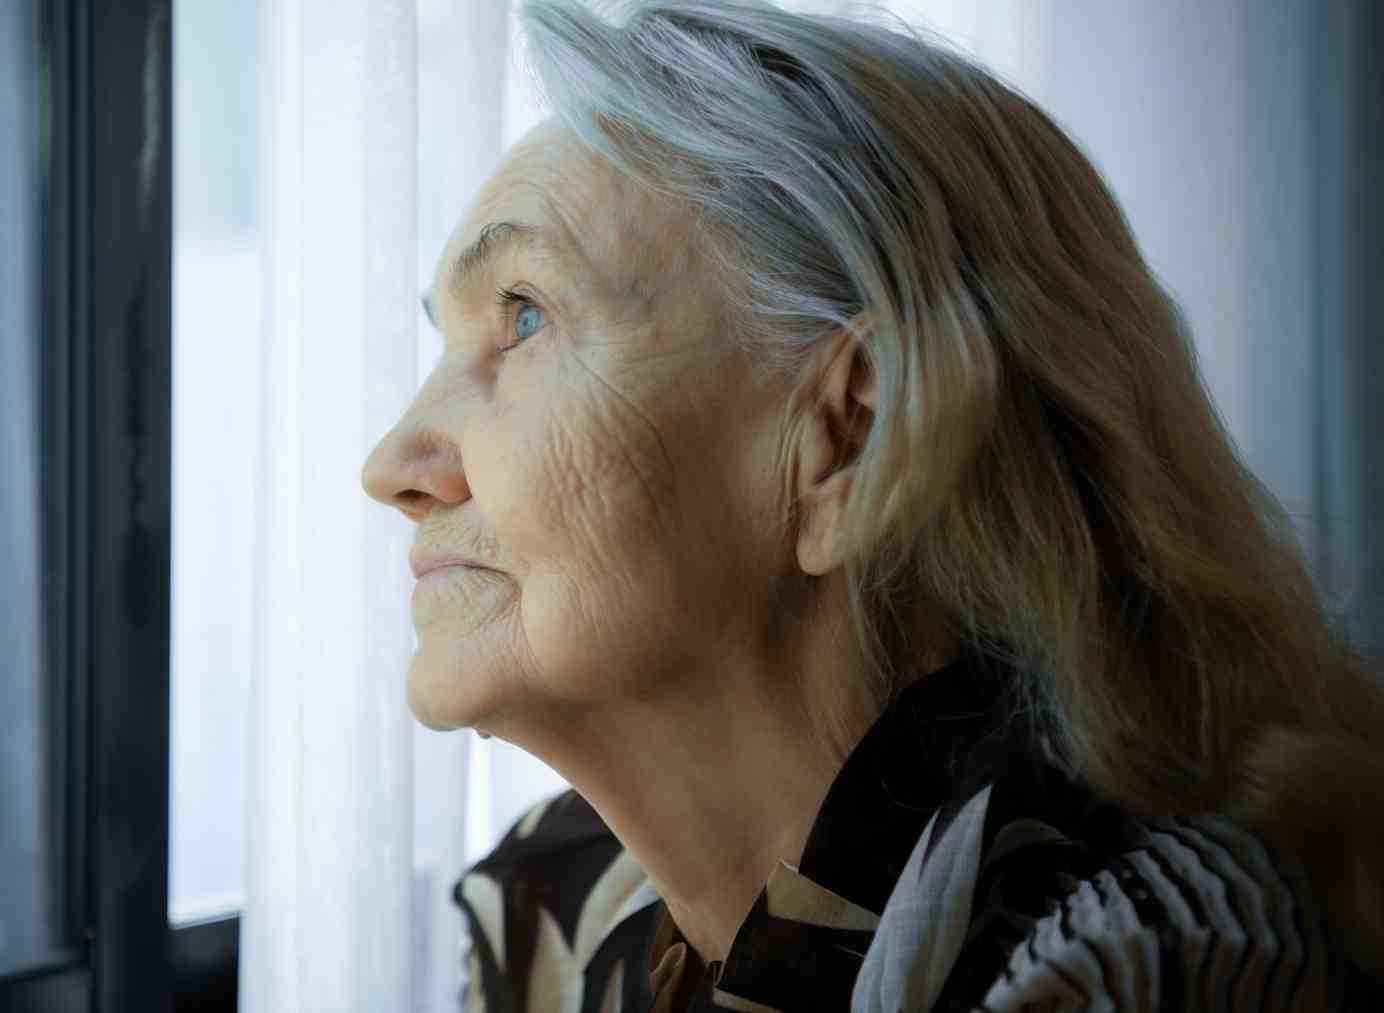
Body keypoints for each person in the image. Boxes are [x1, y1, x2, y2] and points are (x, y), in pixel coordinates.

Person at [359, 1, 1384, 1008]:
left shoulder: (1134, 959)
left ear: (847, 438)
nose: (394, 463)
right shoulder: (557, 914)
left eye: (525, 315)